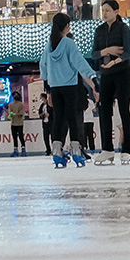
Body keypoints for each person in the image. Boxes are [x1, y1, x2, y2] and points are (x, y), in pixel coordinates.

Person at [41, 12, 98, 168]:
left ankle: (57, 153)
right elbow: (79, 62)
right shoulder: (68, 43)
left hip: (55, 88)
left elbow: (43, 66)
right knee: (72, 119)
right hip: (70, 87)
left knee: (58, 119)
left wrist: (47, 86)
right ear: (66, 26)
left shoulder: (49, 45)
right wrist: (93, 77)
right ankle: (76, 152)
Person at [91, 0, 130, 163]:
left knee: (124, 110)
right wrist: (107, 51)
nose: (105, 13)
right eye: (103, 10)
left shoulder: (123, 28)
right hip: (105, 75)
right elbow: (94, 54)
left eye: (108, 10)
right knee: (104, 112)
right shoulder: (99, 30)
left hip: (122, 73)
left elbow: (127, 53)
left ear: (116, 11)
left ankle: (127, 149)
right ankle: (107, 149)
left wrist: (115, 61)